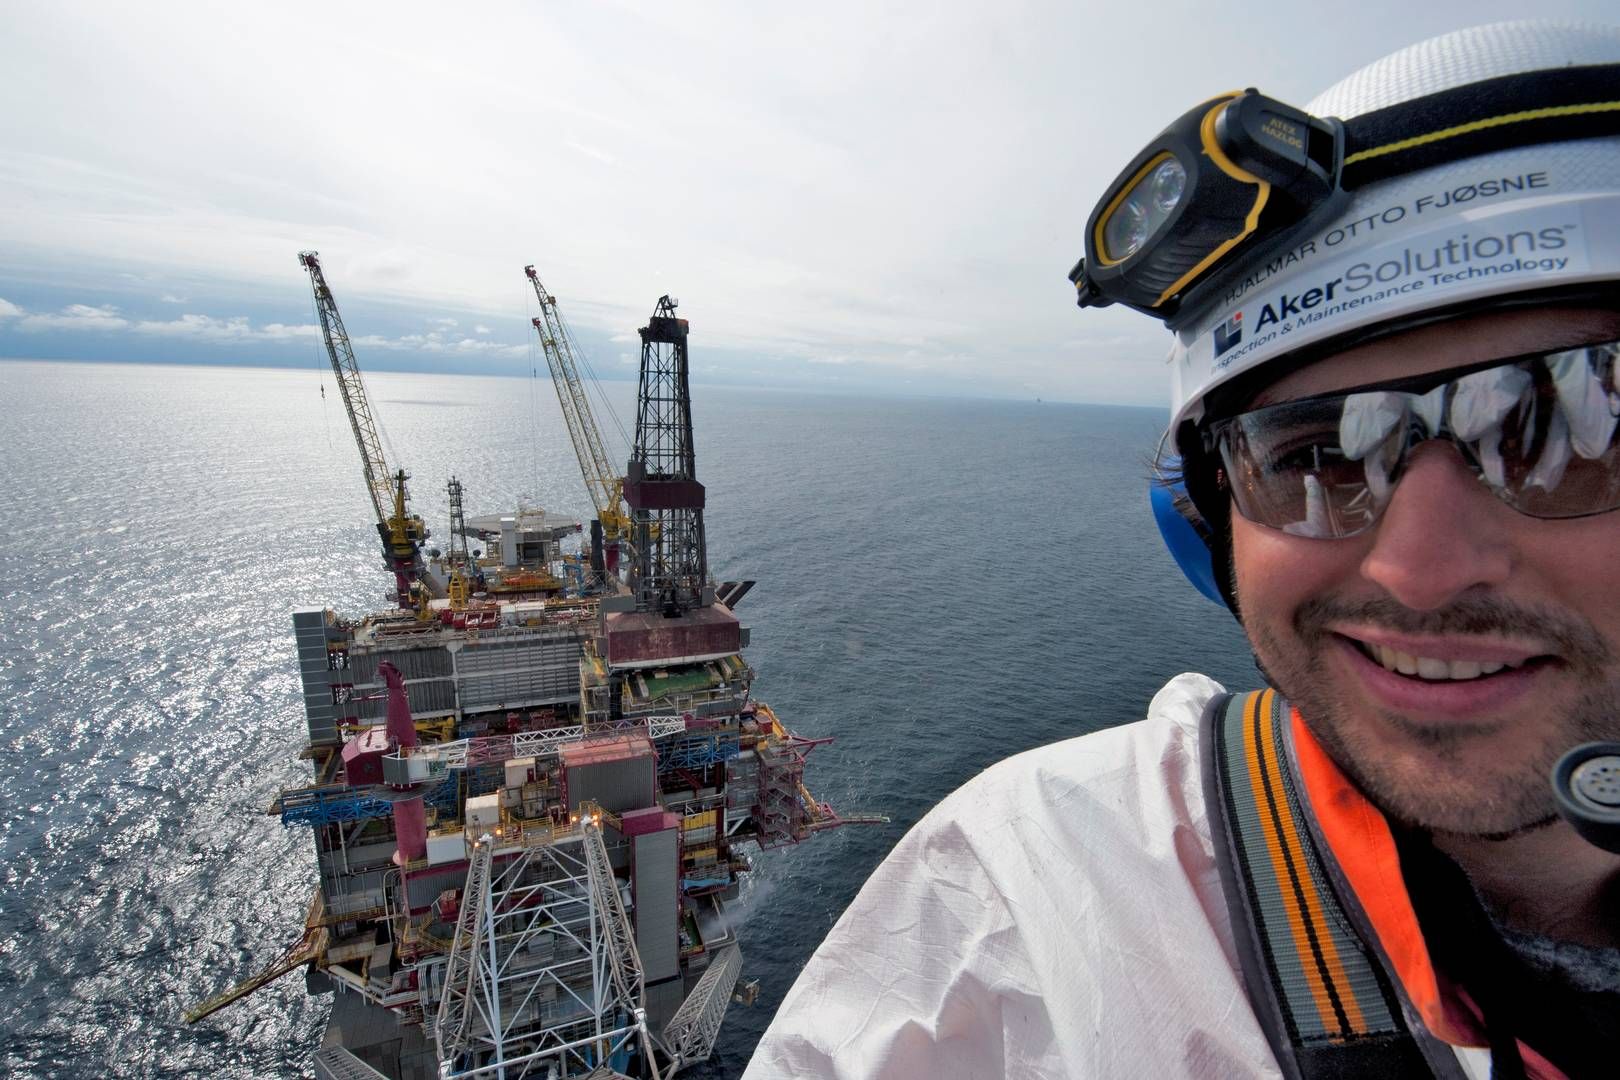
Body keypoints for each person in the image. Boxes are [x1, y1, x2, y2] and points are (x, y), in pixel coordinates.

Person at [743, 21, 1620, 1080]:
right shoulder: (1023, 920)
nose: (1419, 570)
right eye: (1314, 457)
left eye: (1566, 433)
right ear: (1207, 523)